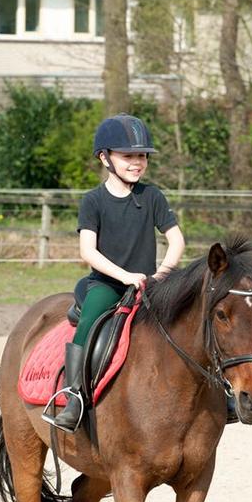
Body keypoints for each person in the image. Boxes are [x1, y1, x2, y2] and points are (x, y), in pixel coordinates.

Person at [54, 113, 186, 431]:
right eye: (128, 156)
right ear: (105, 158)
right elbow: (88, 251)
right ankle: (74, 396)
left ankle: (220, 390)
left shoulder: (152, 197)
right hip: (108, 284)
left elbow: (177, 240)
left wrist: (161, 276)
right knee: (89, 320)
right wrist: (125, 276)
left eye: (142, 156)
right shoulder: (93, 201)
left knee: (191, 318)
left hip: (149, 285)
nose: (137, 163)